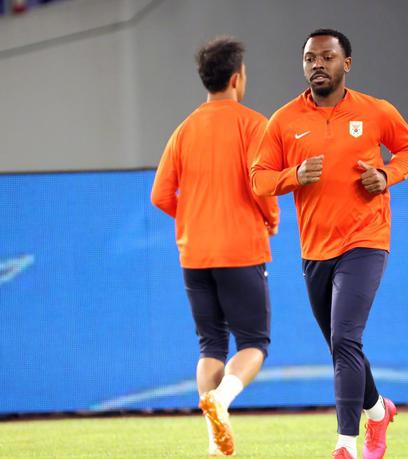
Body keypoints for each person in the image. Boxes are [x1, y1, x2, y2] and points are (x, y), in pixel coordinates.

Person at [251, 28, 408, 459]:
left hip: (366, 239)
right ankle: (379, 411)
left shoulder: (376, 111)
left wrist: (386, 175)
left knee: (345, 337)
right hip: (315, 250)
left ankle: (346, 444)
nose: (317, 65)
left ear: (346, 64)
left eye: (326, 57)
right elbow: (258, 179)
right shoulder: (284, 120)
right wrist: (293, 176)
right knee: (341, 344)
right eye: (310, 58)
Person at [151, 36, 278, 456]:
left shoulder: (184, 129)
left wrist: (193, 218)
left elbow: (160, 195)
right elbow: (262, 185)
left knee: (210, 346)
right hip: (240, 249)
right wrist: (271, 219)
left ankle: (214, 443)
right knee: (254, 343)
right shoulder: (253, 124)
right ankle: (221, 400)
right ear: (237, 78)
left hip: (195, 254)